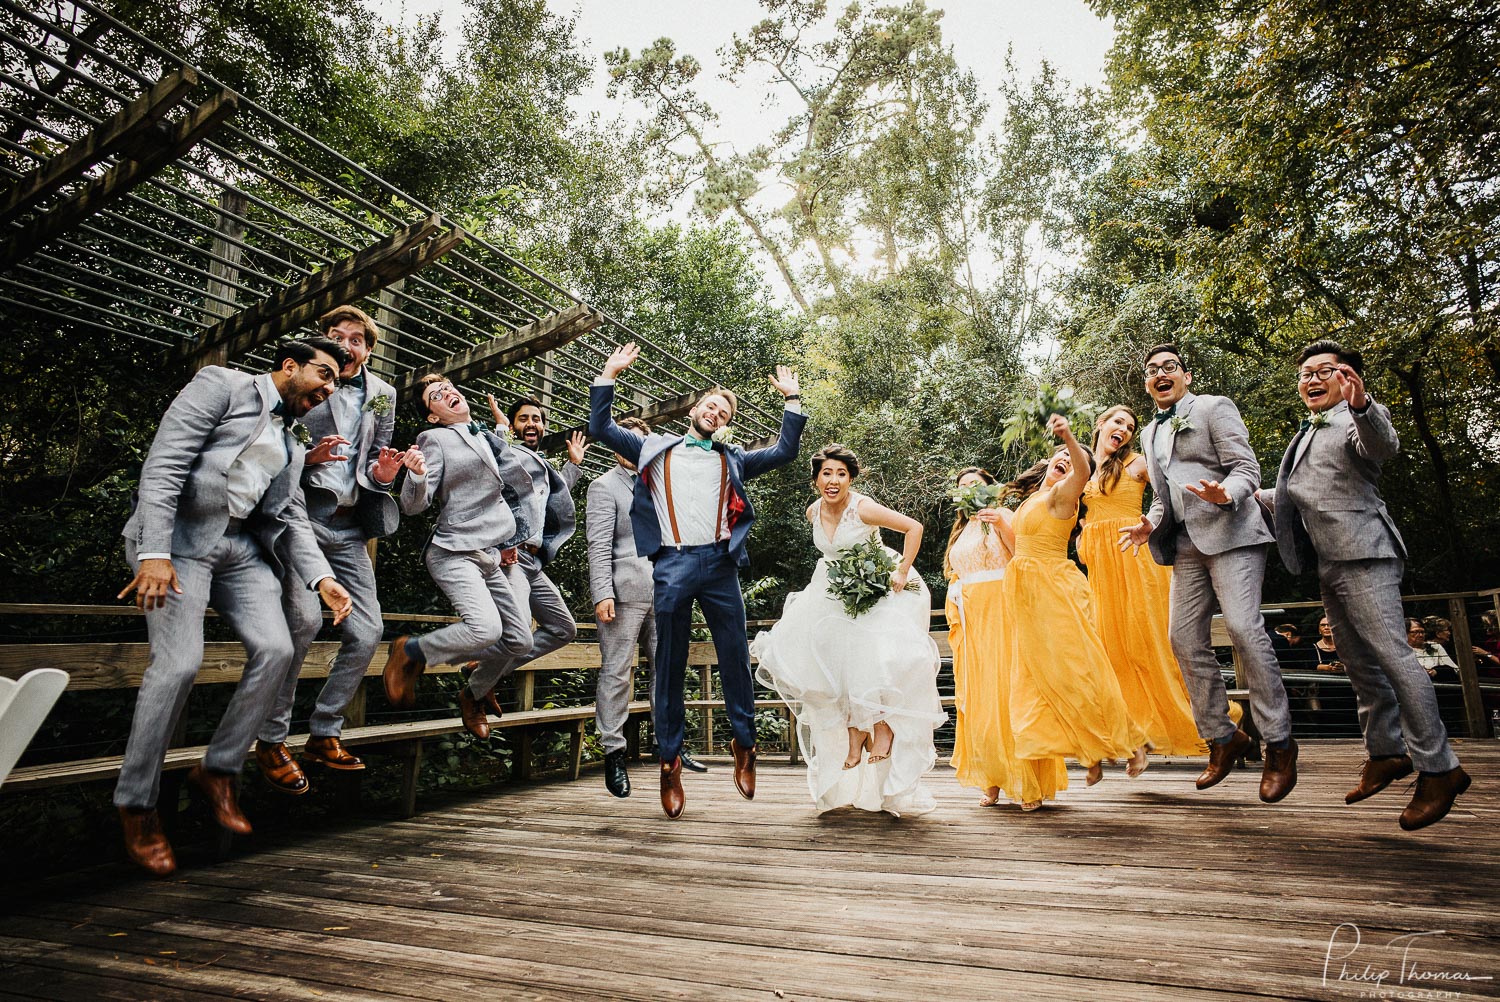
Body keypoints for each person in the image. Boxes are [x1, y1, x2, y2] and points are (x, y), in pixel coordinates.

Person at [115, 338, 356, 876]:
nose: (329, 387)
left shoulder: (293, 443)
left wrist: (323, 579)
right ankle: (137, 805)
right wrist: (153, 553)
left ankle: (219, 769)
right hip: (179, 544)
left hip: (242, 549)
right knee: (178, 665)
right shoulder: (220, 386)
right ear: (289, 366)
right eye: (324, 374)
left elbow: (291, 516)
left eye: (338, 382)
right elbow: (164, 465)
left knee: (277, 645)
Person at [588, 342, 806, 819]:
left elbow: (787, 450)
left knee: (734, 655)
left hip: (720, 565)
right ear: (694, 409)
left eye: (723, 410)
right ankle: (670, 761)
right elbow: (600, 427)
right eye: (711, 404)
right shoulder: (651, 446)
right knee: (669, 663)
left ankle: (744, 745)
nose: (715, 412)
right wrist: (610, 372)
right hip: (671, 565)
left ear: (725, 423)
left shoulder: (734, 459)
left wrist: (791, 399)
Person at [1267, 339, 1467, 830]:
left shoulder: (1356, 419)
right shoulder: (1308, 432)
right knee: (1358, 664)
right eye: (1306, 372)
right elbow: (1311, 490)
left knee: (1397, 659)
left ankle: (1439, 768)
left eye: (1325, 371)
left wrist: (1362, 405)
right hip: (1330, 563)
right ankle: (1385, 752)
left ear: (1349, 379)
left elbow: (1382, 446)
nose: (1312, 379)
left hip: (1366, 552)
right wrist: (1255, 497)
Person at [1119, 343, 1297, 804]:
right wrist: (1149, 522)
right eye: (1152, 369)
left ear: (1186, 375)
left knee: (1242, 627)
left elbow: (1246, 469)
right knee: (1182, 637)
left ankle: (1279, 743)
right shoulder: (1149, 435)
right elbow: (1163, 497)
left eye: (1169, 367)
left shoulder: (1214, 408)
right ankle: (1222, 736)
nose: (1161, 374)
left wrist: (1227, 495)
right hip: (1185, 545)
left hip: (1234, 533)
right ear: (1146, 382)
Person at [256, 306, 420, 794]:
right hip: (301, 517)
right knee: (303, 621)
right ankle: (272, 736)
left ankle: (324, 732)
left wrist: (385, 475)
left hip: (351, 530)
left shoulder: (384, 396)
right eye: (336, 336)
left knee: (369, 629)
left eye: (355, 339)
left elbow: (374, 462)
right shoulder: (308, 378)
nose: (346, 345)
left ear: (369, 348)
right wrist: (310, 456)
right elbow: (272, 445)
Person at [752, 445, 945, 816]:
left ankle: (882, 729)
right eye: (827, 474)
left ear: (850, 478)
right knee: (829, 671)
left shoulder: (862, 508)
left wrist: (902, 571)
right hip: (831, 590)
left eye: (841, 473)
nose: (833, 480)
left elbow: (913, 527)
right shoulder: (813, 511)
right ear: (815, 480)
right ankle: (855, 734)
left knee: (873, 664)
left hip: (873, 588)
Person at [382, 375, 535, 739]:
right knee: (486, 629)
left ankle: (475, 689)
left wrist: (510, 536)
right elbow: (412, 506)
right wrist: (416, 477)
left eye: (449, 388)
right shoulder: (433, 438)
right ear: (432, 416)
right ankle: (411, 650)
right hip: (454, 552)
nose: (448, 393)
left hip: (488, 553)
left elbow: (507, 494)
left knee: (520, 640)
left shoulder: (484, 435)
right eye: (437, 395)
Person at [1005, 416, 1148, 792]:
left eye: (1072, 463)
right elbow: (1016, 544)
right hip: (1025, 594)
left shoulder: (1062, 497)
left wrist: (1070, 439)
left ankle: (1132, 745)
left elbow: (1083, 467)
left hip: (1055, 589)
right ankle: (1089, 751)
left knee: (1078, 669)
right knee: (1038, 678)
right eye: (1061, 457)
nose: (1066, 463)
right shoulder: (1034, 499)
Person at [1078, 404, 1207, 761]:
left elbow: (1172, 494)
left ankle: (1204, 722)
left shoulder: (1135, 463)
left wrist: (1157, 526)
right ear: (1101, 424)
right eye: (1118, 421)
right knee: (1113, 649)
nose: (1125, 429)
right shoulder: (1084, 466)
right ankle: (1138, 736)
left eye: (1131, 426)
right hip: (1101, 566)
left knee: (1148, 642)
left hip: (1134, 558)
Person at [585, 416, 704, 796]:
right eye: (624, 440)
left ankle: (669, 746)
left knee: (667, 672)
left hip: (667, 592)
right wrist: (602, 592)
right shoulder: (603, 487)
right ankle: (614, 754)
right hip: (622, 593)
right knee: (617, 672)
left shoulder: (661, 485)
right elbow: (598, 545)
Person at [944, 467, 1067, 810]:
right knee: (981, 697)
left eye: (975, 485)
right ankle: (993, 778)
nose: (969, 490)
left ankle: (1027, 782)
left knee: (1007, 693)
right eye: (963, 486)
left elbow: (1022, 553)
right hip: (972, 620)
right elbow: (960, 571)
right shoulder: (961, 529)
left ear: (989, 489)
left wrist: (999, 523)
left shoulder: (1004, 515)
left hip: (1003, 609)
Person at [464, 395, 588, 712]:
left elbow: (552, 498)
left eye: (536, 418)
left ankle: (487, 675)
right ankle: (474, 692)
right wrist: (501, 429)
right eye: (523, 418)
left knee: (564, 629)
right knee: (518, 628)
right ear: (515, 425)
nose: (531, 423)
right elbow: (494, 467)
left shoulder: (542, 464)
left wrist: (573, 466)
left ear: (544, 426)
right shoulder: (508, 452)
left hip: (533, 561)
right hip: (510, 557)